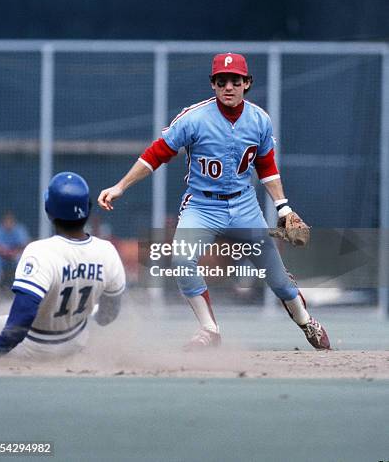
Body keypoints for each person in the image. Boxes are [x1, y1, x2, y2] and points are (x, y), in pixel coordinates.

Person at [98, 53, 330, 351]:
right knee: (182, 260)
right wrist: (120, 186)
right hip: (202, 206)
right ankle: (209, 330)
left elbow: (267, 166)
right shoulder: (194, 118)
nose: (229, 87)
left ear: (247, 83)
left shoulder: (259, 119)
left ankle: (307, 322)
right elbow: (156, 154)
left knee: (278, 280)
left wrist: (283, 206)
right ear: (213, 84)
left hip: (244, 205)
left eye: (236, 81)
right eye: (222, 81)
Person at [0, 172, 126, 361]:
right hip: (76, 342)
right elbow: (107, 316)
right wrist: (85, 312)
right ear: (88, 208)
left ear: (49, 211)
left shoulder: (40, 251)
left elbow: (22, 318)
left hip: (32, 345)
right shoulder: (107, 251)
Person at [0, 211, 30, 301]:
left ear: (13, 222)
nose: (8, 224)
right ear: (3, 222)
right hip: (1, 256)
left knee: (23, 260)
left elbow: (25, 244)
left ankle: (24, 291)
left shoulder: (19, 229)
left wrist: (14, 252)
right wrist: (3, 251)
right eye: (6, 222)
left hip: (15, 255)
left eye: (10, 222)